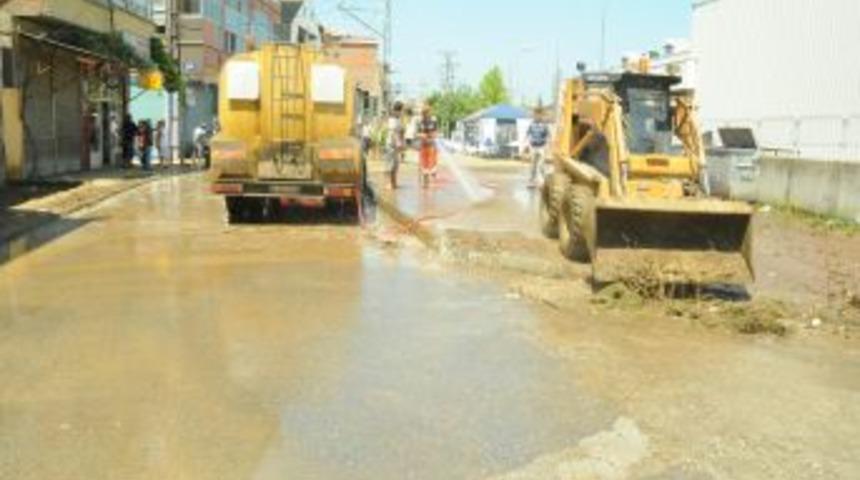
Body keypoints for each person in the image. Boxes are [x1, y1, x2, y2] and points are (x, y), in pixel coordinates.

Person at [526, 108, 551, 187]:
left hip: (541, 147)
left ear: (541, 116)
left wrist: (548, 145)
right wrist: (525, 144)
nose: (537, 116)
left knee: (541, 165)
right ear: (534, 115)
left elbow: (548, 135)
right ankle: (531, 181)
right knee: (533, 165)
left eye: (539, 115)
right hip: (533, 146)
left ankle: (543, 181)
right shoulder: (531, 124)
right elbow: (527, 134)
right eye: (536, 115)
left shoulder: (544, 125)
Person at [417, 104, 439, 187]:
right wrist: (421, 135)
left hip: (432, 145)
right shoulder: (420, 122)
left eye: (427, 113)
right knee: (424, 164)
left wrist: (433, 135)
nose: (425, 115)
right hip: (423, 145)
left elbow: (436, 132)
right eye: (424, 113)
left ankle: (433, 183)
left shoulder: (433, 121)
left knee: (432, 164)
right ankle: (426, 183)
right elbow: (417, 133)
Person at [385, 102, 405, 189]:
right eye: (402, 110)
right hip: (391, 145)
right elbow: (393, 133)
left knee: (396, 165)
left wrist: (401, 143)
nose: (402, 113)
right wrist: (398, 143)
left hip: (396, 146)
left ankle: (394, 183)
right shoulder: (392, 120)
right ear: (398, 110)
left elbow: (400, 132)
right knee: (391, 165)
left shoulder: (398, 120)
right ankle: (390, 183)